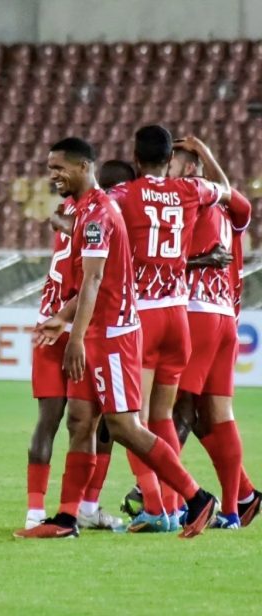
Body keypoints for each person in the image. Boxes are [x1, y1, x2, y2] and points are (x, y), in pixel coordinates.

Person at [15, 137, 217, 540]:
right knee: (79, 421)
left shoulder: (98, 213)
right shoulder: (88, 209)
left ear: (84, 166)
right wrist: (63, 319)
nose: (53, 175)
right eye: (50, 167)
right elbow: (93, 283)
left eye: (59, 168)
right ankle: (68, 519)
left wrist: (72, 337)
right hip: (94, 330)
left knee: (124, 426)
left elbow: (92, 280)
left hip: (113, 336)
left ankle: (197, 498)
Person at [106, 127, 231, 532]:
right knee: (160, 416)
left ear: (136, 158)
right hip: (180, 317)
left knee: (130, 422)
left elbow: (92, 214)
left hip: (143, 316)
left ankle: (159, 509)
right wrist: (207, 155)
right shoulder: (190, 190)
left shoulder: (124, 195)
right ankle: (177, 507)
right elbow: (226, 192)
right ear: (165, 158)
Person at [24, 161, 134, 532]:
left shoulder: (73, 212)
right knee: (95, 423)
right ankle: (86, 505)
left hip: (50, 316)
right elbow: (95, 279)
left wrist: (58, 223)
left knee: (51, 422)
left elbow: (70, 232)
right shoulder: (100, 215)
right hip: (81, 327)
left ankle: (37, 512)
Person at [168, 146, 261, 528]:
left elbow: (168, 257)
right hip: (224, 315)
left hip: (198, 311)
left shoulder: (190, 200)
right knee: (215, 415)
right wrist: (207, 156)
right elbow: (243, 204)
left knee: (179, 410)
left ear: (189, 170)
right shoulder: (226, 210)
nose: (165, 171)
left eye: (172, 163)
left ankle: (168, 501)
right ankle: (236, 504)